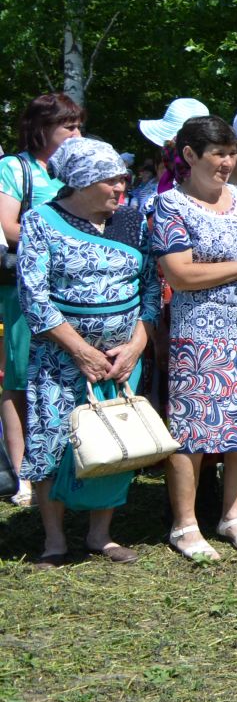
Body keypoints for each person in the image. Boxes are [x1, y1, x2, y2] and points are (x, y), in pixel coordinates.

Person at [19, 137, 160, 564]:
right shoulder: (41, 221)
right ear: (82, 182)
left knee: (117, 440)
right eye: (112, 181)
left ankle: (101, 534)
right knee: (53, 441)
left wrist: (137, 344)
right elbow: (34, 295)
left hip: (120, 360)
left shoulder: (131, 221)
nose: (122, 189)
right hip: (60, 358)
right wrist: (80, 351)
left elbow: (151, 286)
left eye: (123, 180)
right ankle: (55, 540)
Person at [149, 117, 237, 562]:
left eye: (230, 153)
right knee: (193, 432)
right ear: (189, 156)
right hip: (200, 334)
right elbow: (180, 274)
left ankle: (232, 516)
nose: (227, 163)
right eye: (218, 155)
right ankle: (184, 524)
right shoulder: (169, 205)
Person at [1, 93, 85, 503]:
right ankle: (23, 476)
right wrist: (64, 241)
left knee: (65, 377)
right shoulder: (14, 169)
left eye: (78, 125)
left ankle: (71, 465)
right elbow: (9, 228)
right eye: (68, 126)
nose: (77, 134)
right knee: (19, 378)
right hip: (25, 290)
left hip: (77, 290)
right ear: (41, 128)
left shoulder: (76, 169)